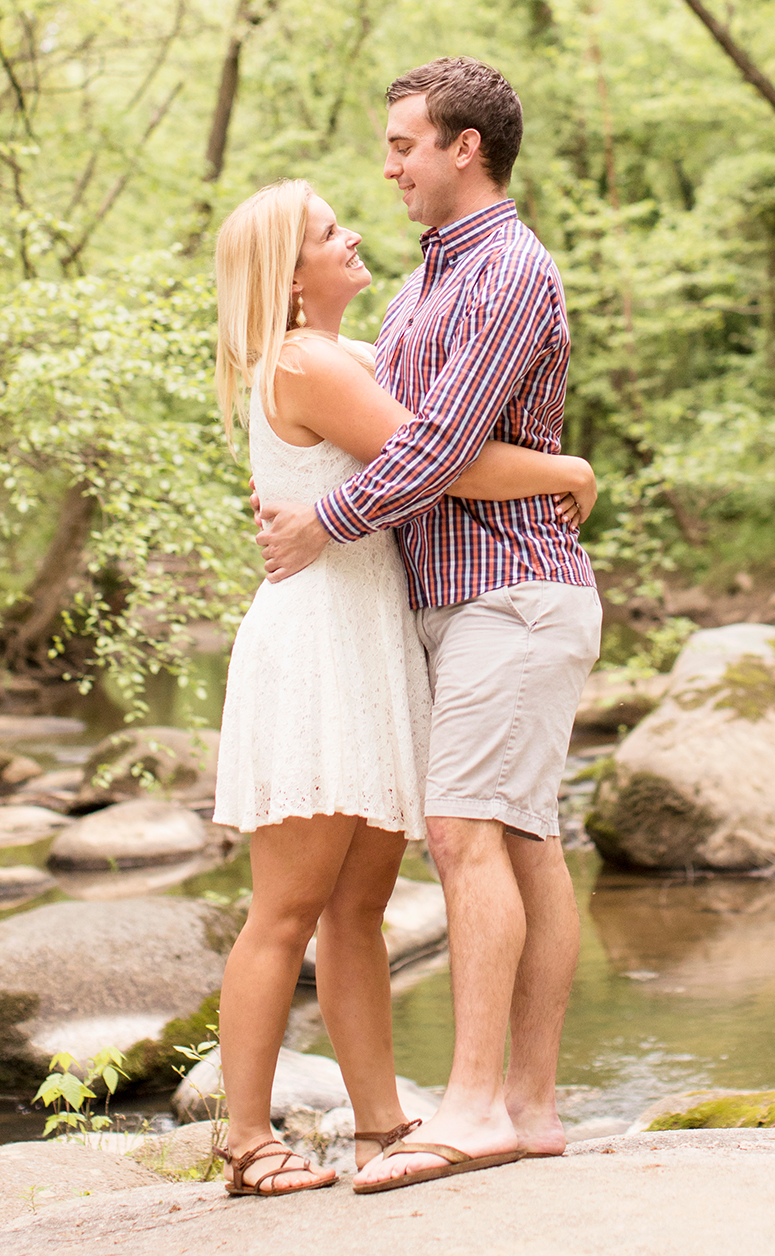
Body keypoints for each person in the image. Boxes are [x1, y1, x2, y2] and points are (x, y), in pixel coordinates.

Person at [256, 58, 602, 1196]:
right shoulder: (415, 291)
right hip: (445, 602)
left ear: (466, 146)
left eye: (404, 143)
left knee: (460, 833)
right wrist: (564, 462)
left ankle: (471, 1108)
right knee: (521, 837)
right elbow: (377, 420)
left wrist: (326, 520)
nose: (389, 164)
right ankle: (533, 1106)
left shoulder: (509, 269)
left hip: (513, 586)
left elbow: (438, 446)